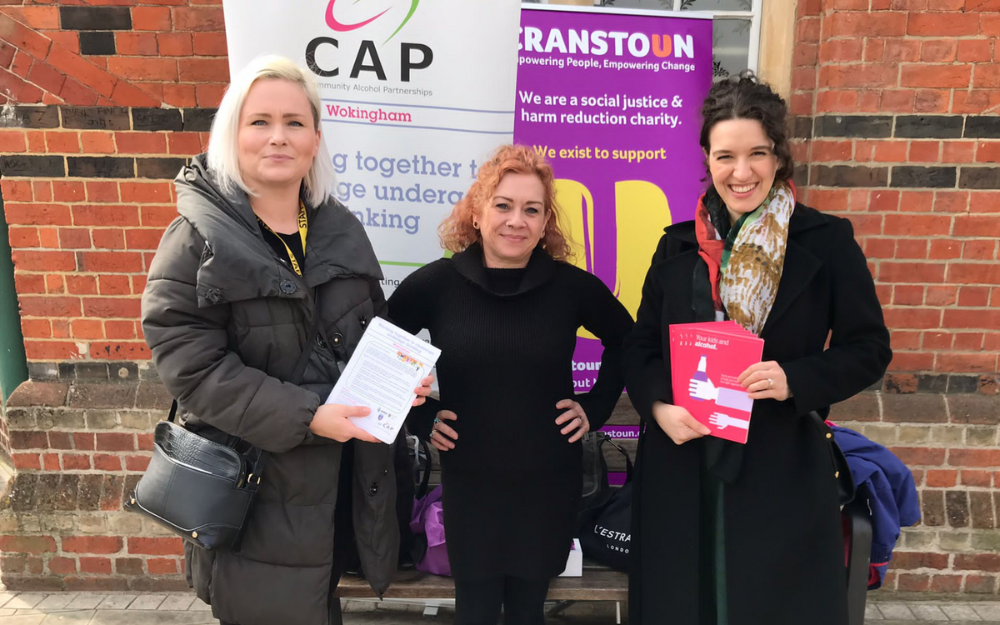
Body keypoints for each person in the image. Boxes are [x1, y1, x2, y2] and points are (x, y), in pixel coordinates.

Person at [140, 55, 432, 625]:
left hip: (342, 488)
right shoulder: (197, 237)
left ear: (315, 138)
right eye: (260, 121)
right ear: (233, 132)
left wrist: (400, 379)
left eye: (295, 123)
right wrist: (308, 416)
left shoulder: (339, 228)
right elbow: (192, 369)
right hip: (256, 494)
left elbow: (371, 328)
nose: (279, 137)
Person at [623, 72, 892, 625]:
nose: (740, 172)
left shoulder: (826, 241)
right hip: (683, 461)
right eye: (725, 156)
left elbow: (868, 347)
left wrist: (796, 379)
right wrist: (657, 408)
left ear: (778, 156)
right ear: (707, 158)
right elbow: (640, 345)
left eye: (757, 154)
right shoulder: (675, 246)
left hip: (780, 465)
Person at [388, 145, 634, 625]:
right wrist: (420, 417)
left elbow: (628, 341)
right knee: (475, 611)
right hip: (471, 483)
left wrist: (596, 406)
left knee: (527, 612)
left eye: (531, 209)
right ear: (477, 213)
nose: (515, 220)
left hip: (547, 482)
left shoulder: (570, 287)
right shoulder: (436, 286)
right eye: (502, 205)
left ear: (545, 224)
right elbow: (377, 354)